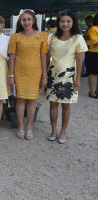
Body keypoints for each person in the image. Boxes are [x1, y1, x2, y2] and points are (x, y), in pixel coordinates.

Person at [44, 10, 88, 144]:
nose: (65, 24)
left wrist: (78, 78)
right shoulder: (51, 37)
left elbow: (79, 60)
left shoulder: (78, 38)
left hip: (69, 75)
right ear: (59, 22)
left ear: (73, 22)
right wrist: (44, 74)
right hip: (53, 73)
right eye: (62, 21)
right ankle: (53, 130)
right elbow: (46, 56)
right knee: (53, 104)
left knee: (66, 106)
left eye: (68, 21)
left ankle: (63, 131)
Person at [8, 9, 48, 140]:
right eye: (23, 19)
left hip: (35, 72)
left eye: (28, 19)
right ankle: (20, 126)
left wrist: (44, 75)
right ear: (20, 21)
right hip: (19, 72)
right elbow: (12, 57)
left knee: (32, 100)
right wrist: (11, 75)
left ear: (34, 20)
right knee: (20, 100)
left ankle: (29, 127)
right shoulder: (15, 36)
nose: (26, 22)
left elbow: (43, 56)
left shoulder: (42, 35)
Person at [88, 14, 98, 98]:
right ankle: (91, 91)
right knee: (93, 72)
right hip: (94, 53)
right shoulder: (93, 29)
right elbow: (95, 42)